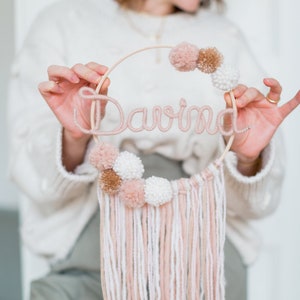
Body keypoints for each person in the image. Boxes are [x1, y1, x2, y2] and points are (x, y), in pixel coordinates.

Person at [7, 0, 300, 299]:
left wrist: (248, 159)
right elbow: (30, 170)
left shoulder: (225, 36)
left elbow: (259, 201)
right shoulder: (63, 22)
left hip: (203, 242)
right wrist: (74, 138)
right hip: (97, 232)